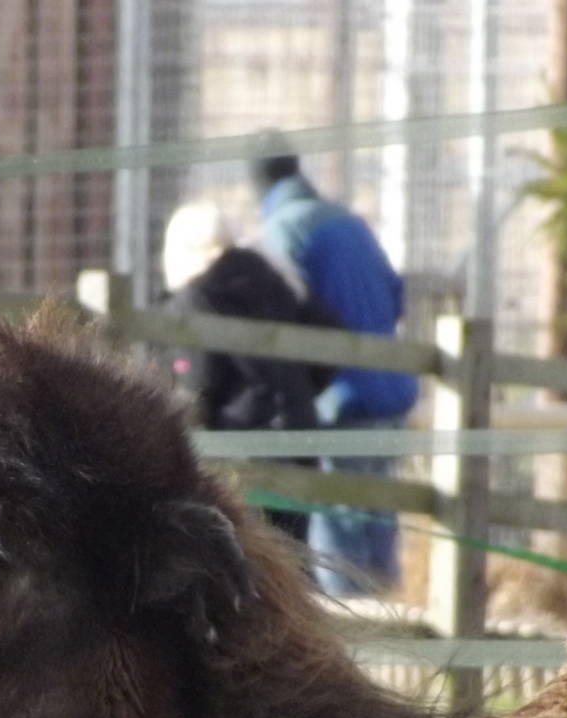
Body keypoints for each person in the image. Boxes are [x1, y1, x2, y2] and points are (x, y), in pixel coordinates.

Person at [252, 150, 418, 597]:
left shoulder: (283, 230)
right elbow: (396, 294)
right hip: (391, 390)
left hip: (340, 399)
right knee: (377, 518)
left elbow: (279, 310)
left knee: (339, 528)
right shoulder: (349, 223)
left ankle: (355, 643)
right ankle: (394, 639)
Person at [162, 203, 339, 543]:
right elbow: (328, 345)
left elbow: (199, 383)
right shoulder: (277, 278)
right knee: (293, 560)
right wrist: (296, 393)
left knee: (252, 562)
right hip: (299, 444)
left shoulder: (196, 297)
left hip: (242, 451)